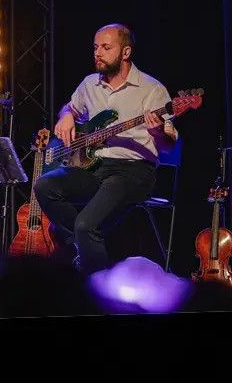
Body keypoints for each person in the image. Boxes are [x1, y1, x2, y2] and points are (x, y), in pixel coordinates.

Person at [34, 24, 178, 274]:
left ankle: (95, 285)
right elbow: (70, 108)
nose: (97, 53)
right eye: (95, 47)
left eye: (106, 47)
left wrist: (157, 132)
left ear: (126, 52)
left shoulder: (152, 89)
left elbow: (168, 146)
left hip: (133, 171)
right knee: (44, 186)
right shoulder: (90, 84)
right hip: (96, 167)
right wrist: (66, 115)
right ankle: (85, 247)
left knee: (85, 225)